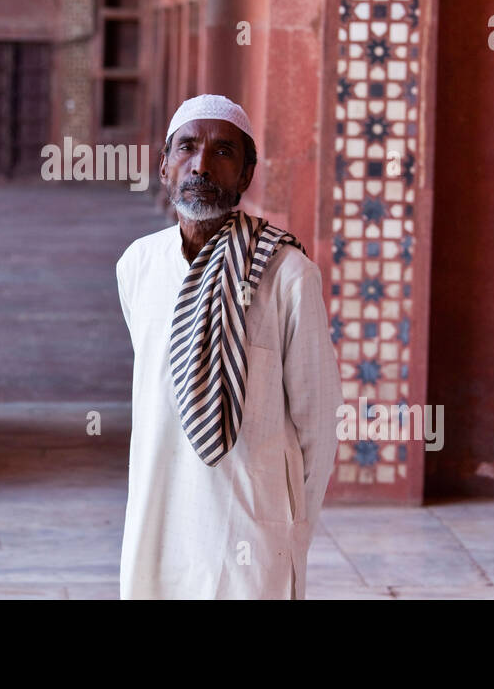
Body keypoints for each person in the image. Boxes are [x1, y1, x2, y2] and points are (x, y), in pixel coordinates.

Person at [115, 94, 344, 599]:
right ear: (164, 165)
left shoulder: (288, 274)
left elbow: (318, 419)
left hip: (251, 524)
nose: (200, 164)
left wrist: (293, 525)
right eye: (186, 148)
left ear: (245, 175)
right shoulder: (138, 265)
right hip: (158, 509)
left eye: (223, 152)